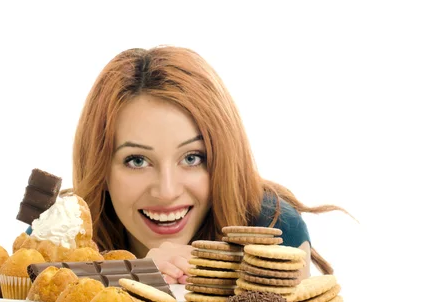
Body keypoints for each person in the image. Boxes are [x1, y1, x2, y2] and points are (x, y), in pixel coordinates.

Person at [70, 45, 350, 284]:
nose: (166, 192)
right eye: (137, 160)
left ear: (223, 158)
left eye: (192, 158)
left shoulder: (274, 227)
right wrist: (135, 274)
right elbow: (33, 279)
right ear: (101, 168)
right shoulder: (64, 225)